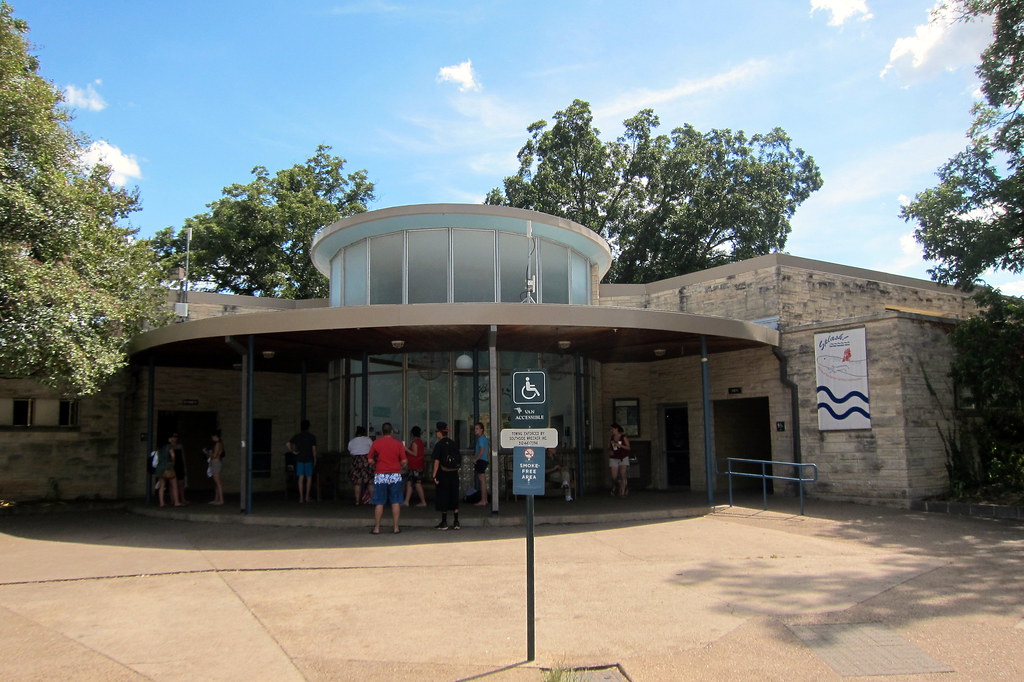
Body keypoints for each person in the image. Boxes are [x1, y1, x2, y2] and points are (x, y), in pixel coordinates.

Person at [367, 422, 408, 534]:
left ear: (382, 431)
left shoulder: (376, 443)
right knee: (395, 501)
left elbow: (369, 459)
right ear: (392, 431)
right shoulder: (398, 444)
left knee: (379, 502)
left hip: (380, 474)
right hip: (395, 474)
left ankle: (376, 528)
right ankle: (395, 528)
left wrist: (376, 464)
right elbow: (404, 461)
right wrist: (400, 465)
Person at [431, 421, 461, 530]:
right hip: (454, 474)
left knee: (443, 496)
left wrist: (434, 475)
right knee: (454, 496)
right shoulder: (453, 443)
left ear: (439, 433)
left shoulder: (439, 445)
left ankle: (444, 522)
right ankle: (456, 521)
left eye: (437, 432)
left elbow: (436, 462)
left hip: (443, 475)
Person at [286, 420, 318, 503]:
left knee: (300, 477)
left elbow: (288, 444)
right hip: (309, 458)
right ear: (308, 427)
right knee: (309, 477)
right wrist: (315, 459)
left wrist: (293, 451)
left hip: (299, 458)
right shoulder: (311, 437)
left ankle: (301, 497)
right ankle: (307, 497)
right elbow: (314, 450)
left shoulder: (297, 436)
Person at [347, 425, 374, 505]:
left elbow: (350, 452)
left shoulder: (352, 441)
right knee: (370, 482)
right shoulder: (368, 440)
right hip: (367, 462)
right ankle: (373, 500)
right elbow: (372, 450)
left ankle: (357, 501)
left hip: (356, 462)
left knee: (357, 483)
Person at [403, 426, 427, 507]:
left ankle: (423, 502)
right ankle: (406, 501)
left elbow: (415, 453)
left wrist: (405, 449)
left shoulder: (415, 442)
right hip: (417, 466)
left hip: (415, 466)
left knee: (417, 483)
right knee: (410, 483)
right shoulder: (420, 442)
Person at [156, 434, 182, 508]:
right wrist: (173, 462)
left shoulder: (159, 447)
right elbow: (173, 455)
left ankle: (161, 503)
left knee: (162, 486)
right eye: (170, 437)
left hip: (160, 467)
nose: (172, 439)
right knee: (174, 484)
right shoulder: (169, 446)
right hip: (168, 467)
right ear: (168, 439)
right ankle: (176, 502)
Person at [203, 430, 225, 505]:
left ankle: (221, 500)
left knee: (218, 482)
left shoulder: (218, 444)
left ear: (216, 437)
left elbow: (215, 456)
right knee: (216, 482)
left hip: (215, 462)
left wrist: (207, 453)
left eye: (213, 437)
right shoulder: (219, 444)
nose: (212, 438)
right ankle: (216, 499)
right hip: (215, 462)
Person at [609, 423, 631, 496]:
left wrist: (620, 445)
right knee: (614, 476)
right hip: (614, 457)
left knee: (623, 475)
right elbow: (609, 447)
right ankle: (618, 485)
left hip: (623, 457)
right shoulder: (611, 437)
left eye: (612, 429)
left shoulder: (623, 437)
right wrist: (610, 451)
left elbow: (628, 447)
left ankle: (622, 491)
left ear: (616, 429)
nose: (611, 430)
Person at [472, 421, 490, 506]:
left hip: (481, 460)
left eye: (477, 429)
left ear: (481, 430)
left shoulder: (481, 439)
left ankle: (483, 500)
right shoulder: (484, 438)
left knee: (482, 481)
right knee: (483, 481)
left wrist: (476, 459)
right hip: (483, 460)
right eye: (475, 429)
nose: (475, 430)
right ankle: (485, 499)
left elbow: (482, 451)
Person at [171, 432, 188, 505]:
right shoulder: (169, 446)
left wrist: (184, 466)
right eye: (174, 437)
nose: (175, 438)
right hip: (172, 466)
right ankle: (173, 499)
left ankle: (182, 498)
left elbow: (183, 456)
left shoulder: (180, 446)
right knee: (172, 483)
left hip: (180, 465)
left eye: (176, 437)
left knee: (181, 483)